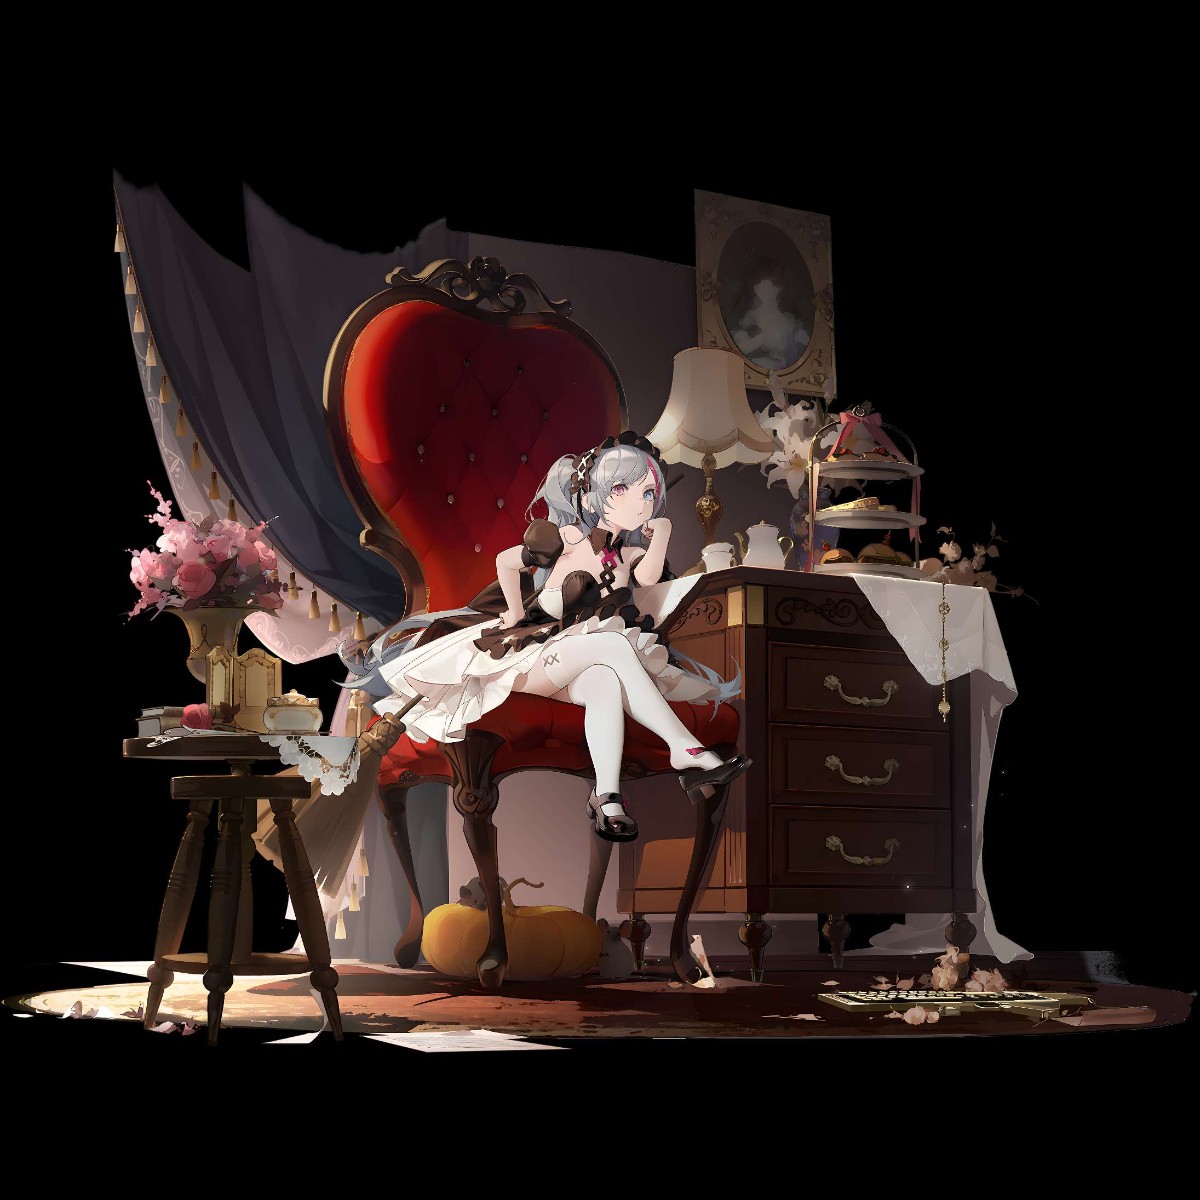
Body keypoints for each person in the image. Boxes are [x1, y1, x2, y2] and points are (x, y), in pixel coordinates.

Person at [346, 430, 751, 843]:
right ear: (593, 496)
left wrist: (662, 533)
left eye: (649, 494)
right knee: (613, 643)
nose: (641, 501)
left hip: (577, 666)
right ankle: (685, 748)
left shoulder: (628, 555)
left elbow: (648, 579)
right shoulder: (568, 539)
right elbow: (506, 562)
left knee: (604, 680)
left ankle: (607, 797)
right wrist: (514, 612)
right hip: (532, 654)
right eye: (623, 489)